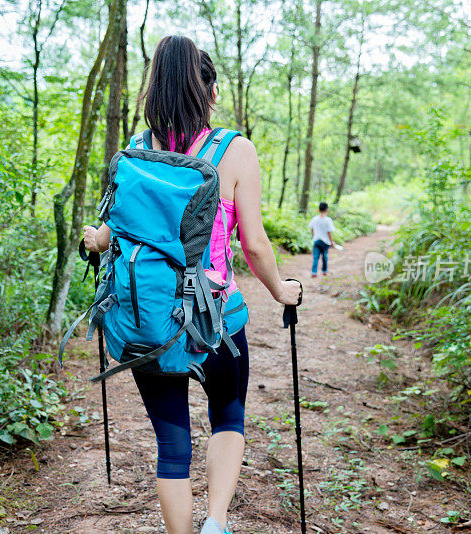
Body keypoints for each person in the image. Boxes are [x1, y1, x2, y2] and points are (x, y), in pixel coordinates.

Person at [82, 35, 301, 534]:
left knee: (172, 445)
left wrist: (96, 241)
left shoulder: (136, 151)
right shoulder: (233, 150)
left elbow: (114, 232)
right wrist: (280, 291)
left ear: (153, 90)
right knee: (228, 417)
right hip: (216, 319)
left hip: (149, 321)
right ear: (212, 92)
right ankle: (216, 522)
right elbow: (255, 246)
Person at [308, 201, 336, 277]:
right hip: (325, 242)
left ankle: (314, 272)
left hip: (316, 240)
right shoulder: (328, 220)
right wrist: (332, 241)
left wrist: (315, 234)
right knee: (324, 256)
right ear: (327, 210)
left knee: (316, 257)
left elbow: (311, 228)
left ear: (318, 210)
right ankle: (324, 271)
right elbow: (329, 232)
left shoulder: (314, 219)